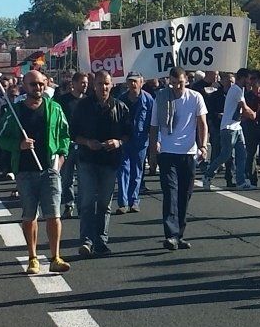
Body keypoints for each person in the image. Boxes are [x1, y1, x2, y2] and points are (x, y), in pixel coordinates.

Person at [0, 69, 71, 274]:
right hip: (25, 170)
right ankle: (33, 257)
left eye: (40, 84)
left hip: (49, 169)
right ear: (24, 86)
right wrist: (18, 145)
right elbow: (1, 137)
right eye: (33, 84)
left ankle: (56, 257)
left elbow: (64, 135)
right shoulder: (15, 111)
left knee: (54, 215)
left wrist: (61, 158)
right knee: (30, 216)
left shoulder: (54, 108)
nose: (37, 88)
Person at [70, 69, 130, 258]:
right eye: (99, 83)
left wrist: (118, 142)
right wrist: (87, 142)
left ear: (112, 85)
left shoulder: (120, 107)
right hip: (88, 159)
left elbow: (129, 133)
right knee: (87, 201)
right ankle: (87, 240)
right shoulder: (82, 106)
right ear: (93, 85)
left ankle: (101, 242)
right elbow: (72, 133)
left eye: (106, 83)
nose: (103, 87)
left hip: (109, 161)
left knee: (104, 203)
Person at [150, 67, 209, 251]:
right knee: (170, 193)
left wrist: (203, 145)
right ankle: (171, 235)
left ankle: (180, 233)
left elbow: (202, 124)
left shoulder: (195, 97)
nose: (176, 87)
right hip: (168, 153)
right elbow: (153, 127)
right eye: (173, 83)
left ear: (187, 81)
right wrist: (153, 151)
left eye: (180, 83)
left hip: (188, 153)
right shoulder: (161, 98)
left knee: (185, 195)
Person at [205, 71, 250, 190]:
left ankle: (241, 181)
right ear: (242, 78)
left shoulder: (240, 89)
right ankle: (208, 175)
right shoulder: (236, 90)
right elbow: (244, 108)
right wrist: (254, 114)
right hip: (228, 128)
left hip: (237, 126)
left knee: (242, 154)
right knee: (225, 155)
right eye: (248, 78)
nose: (249, 81)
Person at [116, 74, 153, 213]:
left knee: (137, 171)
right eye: (130, 81)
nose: (132, 84)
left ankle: (134, 201)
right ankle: (123, 203)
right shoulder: (121, 99)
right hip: (124, 140)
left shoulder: (148, 99)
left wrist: (157, 140)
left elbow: (153, 122)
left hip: (140, 140)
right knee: (123, 171)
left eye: (135, 82)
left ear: (141, 83)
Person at [56, 72, 88, 218]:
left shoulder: (89, 101)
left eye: (86, 82)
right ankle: (69, 204)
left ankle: (82, 205)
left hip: (84, 145)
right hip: (67, 145)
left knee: (83, 178)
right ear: (73, 84)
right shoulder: (63, 101)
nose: (85, 85)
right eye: (82, 82)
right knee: (67, 177)